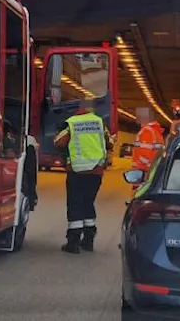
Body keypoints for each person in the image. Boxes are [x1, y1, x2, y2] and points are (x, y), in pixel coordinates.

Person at [53, 101, 113, 253]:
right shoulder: (99, 123)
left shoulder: (73, 123)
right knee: (88, 203)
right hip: (96, 171)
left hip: (77, 171)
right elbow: (110, 142)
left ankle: (73, 242)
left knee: (75, 204)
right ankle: (88, 240)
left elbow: (58, 142)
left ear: (78, 110)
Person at [130, 107, 165, 186]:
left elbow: (145, 154)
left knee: (139, 194)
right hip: (151, 170)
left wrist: (145, 169)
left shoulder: (146, 131)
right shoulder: (156, 132)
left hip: (142, 171)